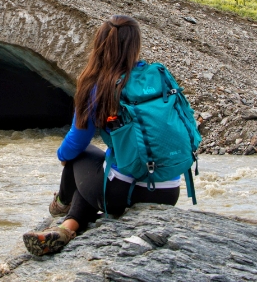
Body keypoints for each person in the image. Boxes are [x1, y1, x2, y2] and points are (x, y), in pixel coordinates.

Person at [22, 15, 181, 256]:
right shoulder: (158, 77)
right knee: (101, 171)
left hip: (122, 194)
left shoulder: (99, 84)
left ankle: (61, 204)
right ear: (135, 45)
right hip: (168, 192)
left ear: (100, 44)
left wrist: (63, 157)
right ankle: (68, 227)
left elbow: (77, 142)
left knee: (80, 157)